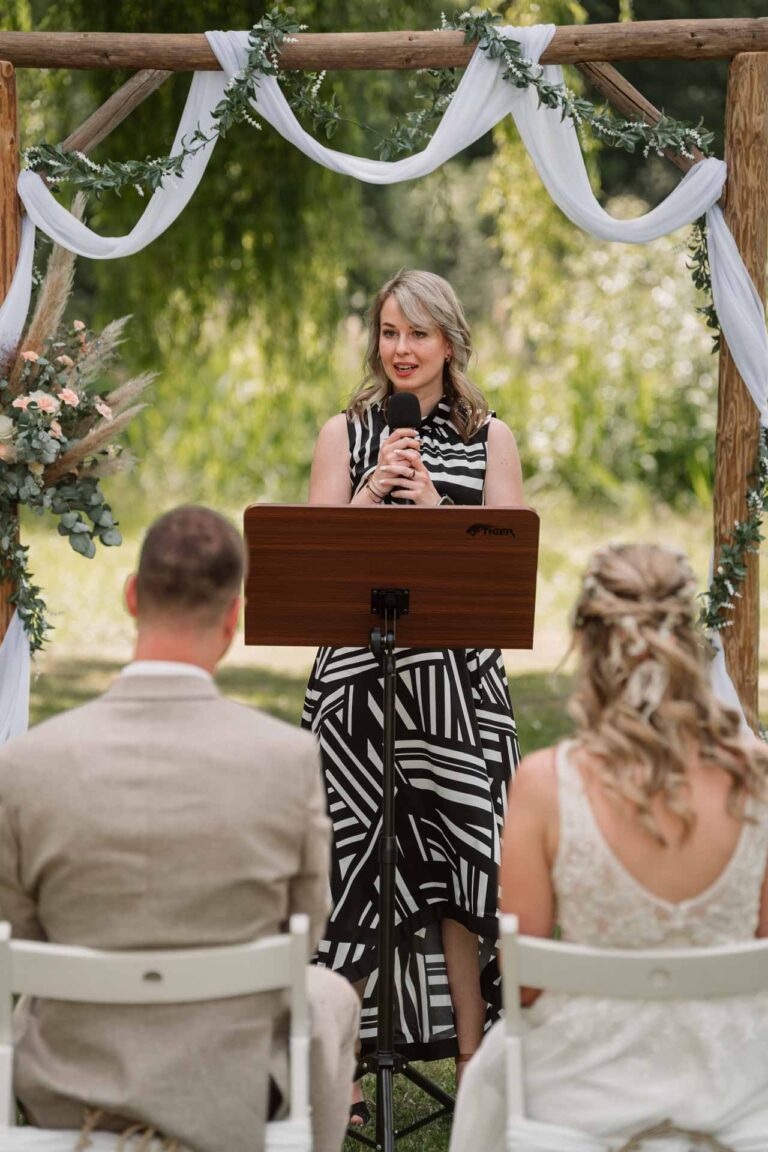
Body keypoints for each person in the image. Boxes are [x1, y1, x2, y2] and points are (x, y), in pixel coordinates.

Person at [0, 505, 359, 1152]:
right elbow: (303, 930)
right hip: (231, 1089)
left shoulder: (26, 762)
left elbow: (18, 934)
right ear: (233, 617)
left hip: (72, 1088)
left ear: (133, 596)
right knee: (331, 995)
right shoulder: (287, 759)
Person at [450, 543, 768, 1150]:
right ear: (688, 641)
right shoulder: (758, 777)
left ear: (591, 646)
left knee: (495, 1072)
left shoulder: (546, 782)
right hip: (736, 1090)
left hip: (586, 1091)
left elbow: (525, 985)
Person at [302, 269, 524, 1117]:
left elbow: (507, 575)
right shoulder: (343, 432)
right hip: (358, 688)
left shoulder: (490, 438)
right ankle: (344, 1066)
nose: (401, 350)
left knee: (466, 866)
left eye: (418, 334)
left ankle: (475, 1062)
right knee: (347, 865)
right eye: (390, 332)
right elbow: (315, 565)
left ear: (450, 343)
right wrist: (367, 495)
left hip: (460, 695)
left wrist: (433, 504)